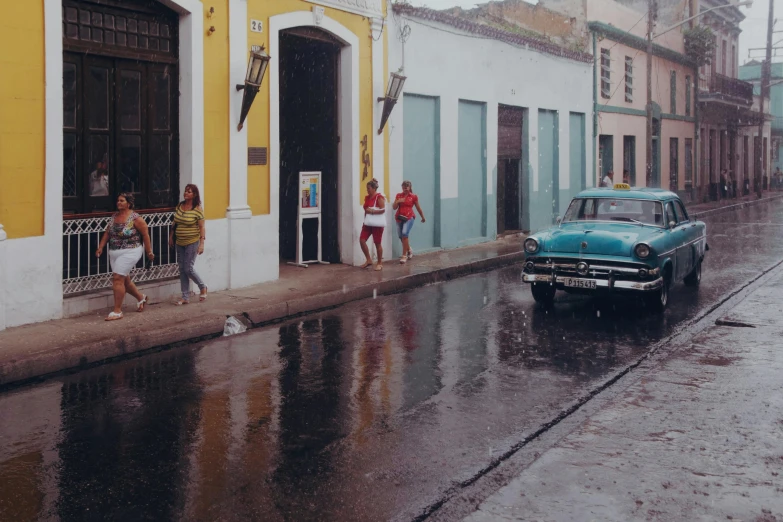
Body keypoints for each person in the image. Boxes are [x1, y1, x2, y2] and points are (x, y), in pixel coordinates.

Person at [96, 193, 154, 321]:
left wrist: (149, 252)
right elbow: (107, 233)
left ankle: (117, 311)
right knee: (125, 281)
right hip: (114, 251)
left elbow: (145, 235)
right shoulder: (114, 217)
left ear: (129, 203)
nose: (119, 203)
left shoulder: (136, 218)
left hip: (131, 251)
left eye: (122, 201)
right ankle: (141, 298)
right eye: (118, 200)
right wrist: (100, 247)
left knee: (117, 279)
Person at [170, 184, 208, 304]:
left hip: (192, 242)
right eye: (185, 191)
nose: (186, 193)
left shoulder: (197, 209)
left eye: (189, 192)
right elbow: (175, 222)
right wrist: (171, 236)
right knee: (182, 269)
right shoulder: (180, 206)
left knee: (188, 268)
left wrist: (201, 243)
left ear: (194, 195)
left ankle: (202, 286)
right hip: (179, 241)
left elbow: (202, 227)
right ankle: (185, 297)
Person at [392, 180, 426, 264]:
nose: (405, 189)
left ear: (410, 187)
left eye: (406, 187)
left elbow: (418, 207)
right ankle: (409, 249)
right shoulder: (399, 195)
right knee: (400, 236)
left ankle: (404, 255)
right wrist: (397, 201)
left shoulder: (413, 197)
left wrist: (422, 217)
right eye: (403, 187)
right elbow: (394, 207)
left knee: (404, 233)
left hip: (409, 217)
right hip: (399, 217)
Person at [359, 178, 386, 271]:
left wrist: (372, 211)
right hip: (367, 222)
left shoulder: (379, 197)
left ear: (374, 188)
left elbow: (383, 209)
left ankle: (379, 263)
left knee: (377, 243)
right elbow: (365, 207)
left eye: (369, 188)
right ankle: (369, 259)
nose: (367, 190)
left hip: (377, 224)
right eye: (367, 188)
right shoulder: (367, 197)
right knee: (362, 240)